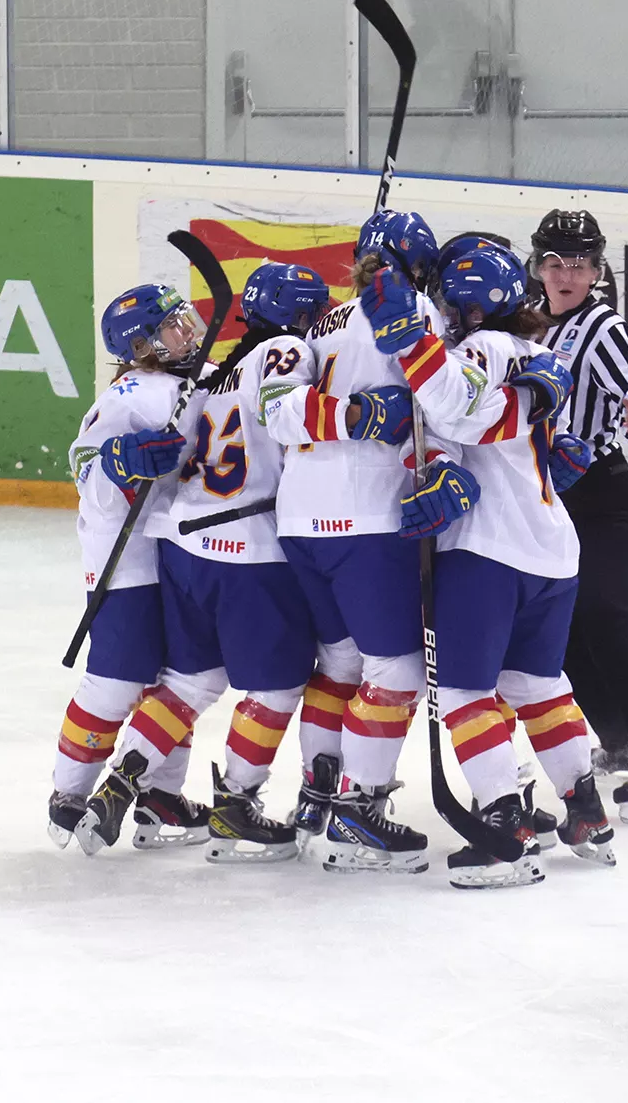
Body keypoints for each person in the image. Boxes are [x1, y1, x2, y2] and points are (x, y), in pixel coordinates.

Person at [372, 233, 615, 889]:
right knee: (537, 684)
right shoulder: (536, 350)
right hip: (551, 550)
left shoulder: (479, 348)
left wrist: (409, 341)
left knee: (464, 692)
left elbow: (459, 407)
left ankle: (506, 824)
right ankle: (586, 809)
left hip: (489, 552)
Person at [255, 210, 431, 873]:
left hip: (301, 518)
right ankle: (357, 815)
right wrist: (363, 417)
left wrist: (344, 412)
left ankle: (316, 796)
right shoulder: (413, 312)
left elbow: (278, 409)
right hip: (369, 519)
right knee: (397, 670)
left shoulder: (321, 321)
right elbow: (443, 406)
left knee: (340, 663)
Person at [154, 261, 334, 864]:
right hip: (250, 553)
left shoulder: (213, 371)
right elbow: (295, 421)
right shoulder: (283, 351)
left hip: (185, 549)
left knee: (185, 682)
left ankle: (138, 780)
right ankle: (234, 806)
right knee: (279, 687)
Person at [530, 208, 628, 822]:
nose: (566, 275)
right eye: (555, 262)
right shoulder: (534, 324)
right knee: (564, 628)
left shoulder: (603, 329)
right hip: (550, 495)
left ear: (597, 271)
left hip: (600, 493)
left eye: (579, 265)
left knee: (612, 618)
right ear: (539, 265)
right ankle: (620, 738)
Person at [50, 283, 216, 854]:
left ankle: (158, 796)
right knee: (118, 678)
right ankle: (68, 794)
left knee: (174, 679)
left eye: (186, 320)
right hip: (123, 559)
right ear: (144, 344)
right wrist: (118, 461)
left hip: (177, 549)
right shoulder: (130, 395)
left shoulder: (197, 376)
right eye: (174, 326)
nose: (188, 332)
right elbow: (84, 469)